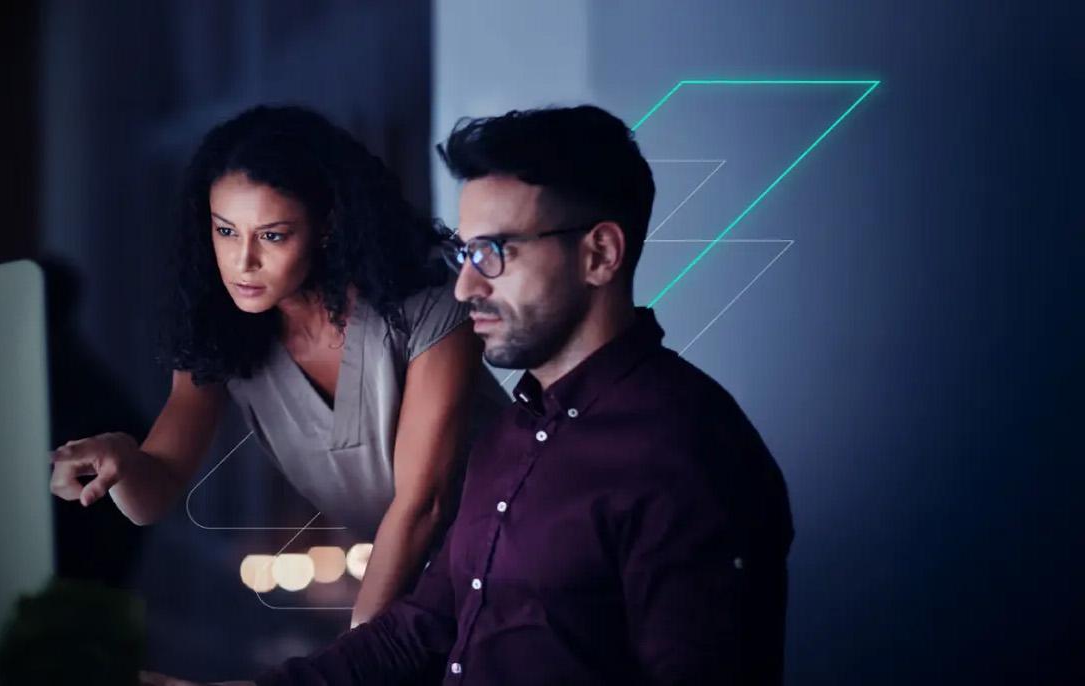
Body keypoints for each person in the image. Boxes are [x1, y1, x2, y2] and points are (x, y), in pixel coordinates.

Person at [147, 105, 796, 685]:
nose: (464, 288)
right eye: (465, 253)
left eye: (495, 252)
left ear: (599, 254)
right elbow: (420, 628)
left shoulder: (685, 451)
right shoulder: (510, 440)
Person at [49, 105, 508, 626]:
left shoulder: (428, 306)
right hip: (428, 590)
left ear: (326, 226)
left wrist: (357, 655)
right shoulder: (225, 332)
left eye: (272, 235)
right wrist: (124, 462)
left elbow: (423, 506)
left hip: (523, 553)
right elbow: (155, 491)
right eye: (226, 231)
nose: (242, 261)